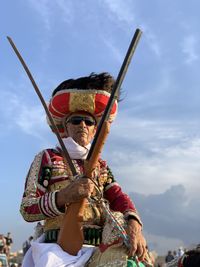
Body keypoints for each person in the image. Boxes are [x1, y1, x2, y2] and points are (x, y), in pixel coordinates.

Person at [20, 73, 151, 266]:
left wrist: (134, 222)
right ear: (65, 126)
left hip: (102, 248)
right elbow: (27, 208)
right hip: (57, 250)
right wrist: (64, 196)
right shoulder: (48, 157)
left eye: (89, 122)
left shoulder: (101, 165)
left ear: (94, 130)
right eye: (76, 120)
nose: (83, 125)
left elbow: (117, 196)